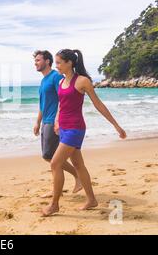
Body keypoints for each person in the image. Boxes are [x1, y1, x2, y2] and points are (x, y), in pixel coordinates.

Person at [42, 49, 127, 216]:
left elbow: (98, 104)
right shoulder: (60, 82)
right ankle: (91, 200)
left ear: (69, 63)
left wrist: (116, 125)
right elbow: (61, 105)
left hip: (75, 128)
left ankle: (54, 205)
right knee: (79, 165)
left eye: (59, 62)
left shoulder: (82, 81)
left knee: (55, 163)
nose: (56, 66)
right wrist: (57, 121)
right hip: (64, 128)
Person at [33, 50, 82, 197]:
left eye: (38, 60)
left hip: (54, 122)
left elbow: (64, 99)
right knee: (51, 157)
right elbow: (43, 104)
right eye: (35, 60)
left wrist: (58, 120)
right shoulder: (43, 81)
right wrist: (37, 122)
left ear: (47, 61)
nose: (35, 63)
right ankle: (58, 187)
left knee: (49, 156)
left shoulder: (56, 77)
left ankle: (74, 177)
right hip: (45, 121)